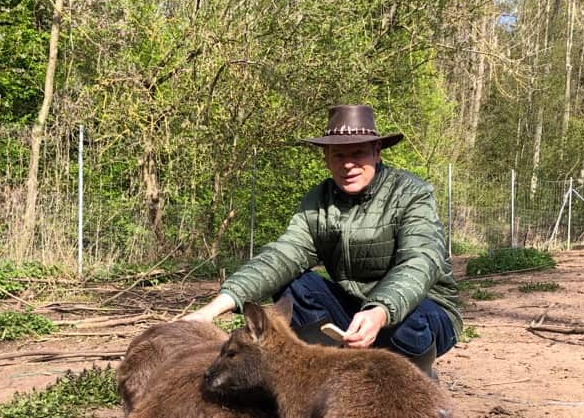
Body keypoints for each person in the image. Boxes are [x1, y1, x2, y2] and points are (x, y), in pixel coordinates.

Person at [184, 104, 461, 375]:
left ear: (377, 152)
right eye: (339, 155)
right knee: (293, 285)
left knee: (408, 320)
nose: (349, 164)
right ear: (326, 158)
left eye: (358, 153)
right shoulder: (318, 201)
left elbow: (419, 262)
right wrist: (211, 310)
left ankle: (413, 377)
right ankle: (330, 371)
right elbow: (282, 256)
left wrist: (380, 311)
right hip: (354, 311)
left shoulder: (412, 193)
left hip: (425, 311)